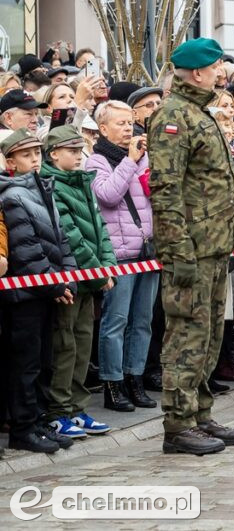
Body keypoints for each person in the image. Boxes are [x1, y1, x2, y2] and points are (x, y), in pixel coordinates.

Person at [148, 37, 234, 455]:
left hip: (213, 244)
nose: (220, 74)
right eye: (214, 67)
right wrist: (177, 251)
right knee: (186, 335)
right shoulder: (173, 117)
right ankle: (177, 423)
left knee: (208, 334)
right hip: (189, 248)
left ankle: (200, 413)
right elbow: (165, 189)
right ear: (196, 73)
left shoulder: (198, 112)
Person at [0, 130, 78, 453]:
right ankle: (23, 428)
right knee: (25, 364)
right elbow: (26, 249)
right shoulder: (11, 195)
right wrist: (55, 283)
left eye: (37, 153)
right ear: (10, 162)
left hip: (47, 291)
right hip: (26, 296)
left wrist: (70, 277)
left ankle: (38, 420)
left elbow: (60, 239)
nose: (35, 159)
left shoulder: (42, 188)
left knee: (46, 359)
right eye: (26, 155)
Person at [41, 126, 116, 439]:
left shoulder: (82, 181)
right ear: (55, 153)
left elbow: (99, 227)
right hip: (72, 277)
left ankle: (76, 406)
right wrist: (98, 271)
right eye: (72, 150)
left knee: (83, 343)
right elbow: (70, 234)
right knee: (65, 345)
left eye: (79, 150)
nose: (78, 155)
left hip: (90, 279)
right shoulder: (52, 184)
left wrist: (108, 264)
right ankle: (59, 410)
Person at [85, 100, 160, 412]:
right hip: (119, 254)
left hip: (147, 250)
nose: (129, 128)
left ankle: (135, 378)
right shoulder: (96, 161)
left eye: (130, 123)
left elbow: (152, 193)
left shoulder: (141, 157)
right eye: (120, 123)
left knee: (142, 321)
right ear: (103, 128)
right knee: (116, 321)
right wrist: (130, 162)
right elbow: (108, 195)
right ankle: (112, 385)